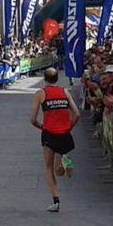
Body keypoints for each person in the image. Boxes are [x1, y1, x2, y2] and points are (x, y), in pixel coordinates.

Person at [29, 68, 81, 212]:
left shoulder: (40, 94)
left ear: (44, 79)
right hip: (64, 133)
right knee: (59, 169)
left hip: (49, 134)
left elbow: (32, 119)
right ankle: (65, 160)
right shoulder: (65, 92)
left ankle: (56, 201)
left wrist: (42, 127)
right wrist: (68, 128)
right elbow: (76, 114)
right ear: (57, 78)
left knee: (48, 168)